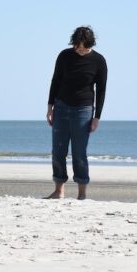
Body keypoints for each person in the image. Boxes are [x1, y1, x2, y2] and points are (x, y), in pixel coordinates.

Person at [46, 26, 108, 200]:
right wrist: (50, 106)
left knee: (79, 152)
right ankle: (59, 190)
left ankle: (82, 194)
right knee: (58, 151)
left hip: (84, 109)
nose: (81, 50)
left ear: (90, 45)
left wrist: (97, 117)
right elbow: (55, 80)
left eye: (84, 47)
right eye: (78, 47)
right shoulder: (64, 56)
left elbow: (101, 90)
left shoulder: (99, 61)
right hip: (61, 106)